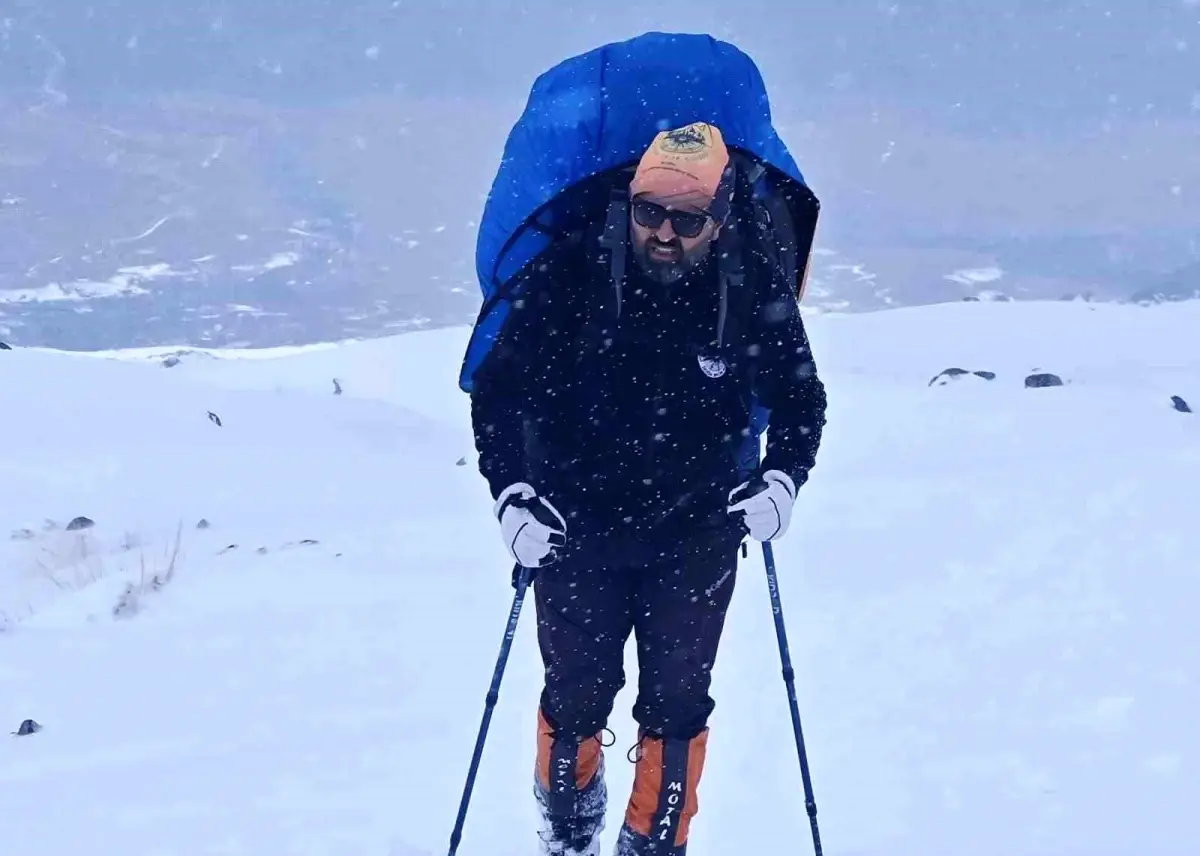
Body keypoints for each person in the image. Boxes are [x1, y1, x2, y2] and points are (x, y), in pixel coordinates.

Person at [469, 120, 827, 855]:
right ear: (629, 203)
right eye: (649, 212)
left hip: (698, 531)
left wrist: (783, 481)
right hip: (574, 525)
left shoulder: (747, 282)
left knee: (676, 705)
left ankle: (653, 842)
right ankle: (568, 830)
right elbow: (498, 393)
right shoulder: (570, 273)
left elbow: (800, 399)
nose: (664, 233)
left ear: (720, 217)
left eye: (687, 219)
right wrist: (510, 493)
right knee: (574, 701)